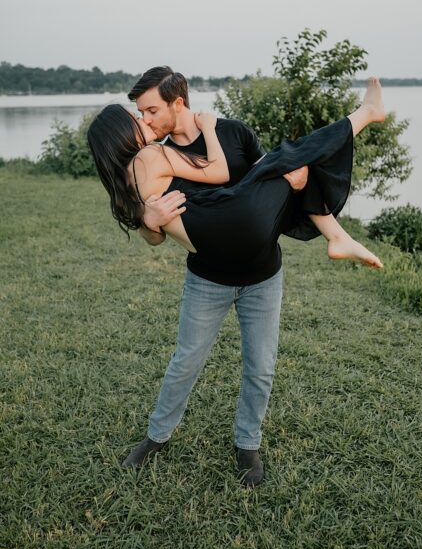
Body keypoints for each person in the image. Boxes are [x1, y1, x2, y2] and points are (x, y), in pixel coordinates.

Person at [87, 66, 385, 487]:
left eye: (150, 110)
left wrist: (294, 179)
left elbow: (256, 174)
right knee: (185, 362)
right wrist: (148, 221)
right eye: (139, 116)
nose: (146, 119)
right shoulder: (156, 154)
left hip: (261, 272)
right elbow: (183, 208)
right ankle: (156, 437)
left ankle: (248, 445)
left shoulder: (232, 132)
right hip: (209, 276)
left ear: (177, 102)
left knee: (261, 367)